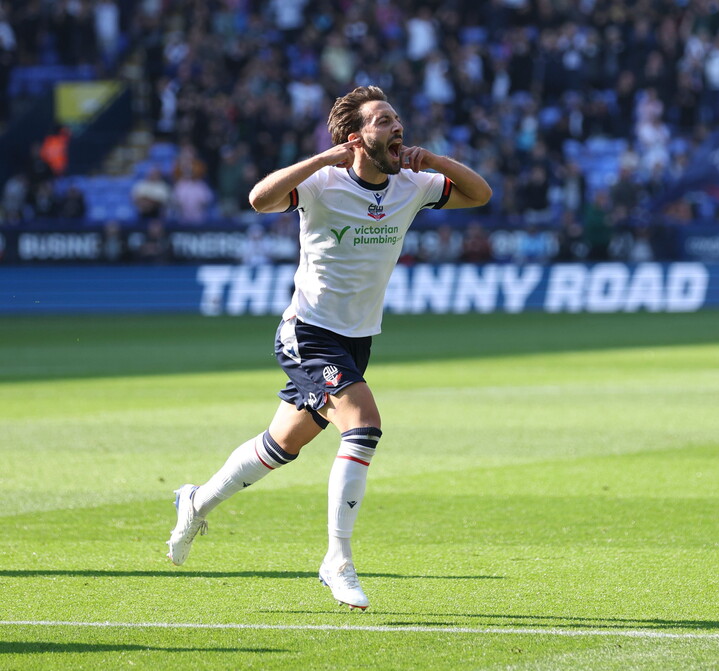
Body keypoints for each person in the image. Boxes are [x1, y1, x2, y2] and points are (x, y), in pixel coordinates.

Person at [165, 86, 492, 610]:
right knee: (364, 424)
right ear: (356, 136)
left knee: (282, 445)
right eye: (384, 120)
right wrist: (323, 156)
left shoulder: (413, 182)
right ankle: (337, 560)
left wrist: (432, 159)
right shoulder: (322, 184)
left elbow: (480, 194)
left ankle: (196, 500)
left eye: (397, 118)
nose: (397, 127)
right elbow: (258, 199)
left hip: (356, 339)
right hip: (308, 332)